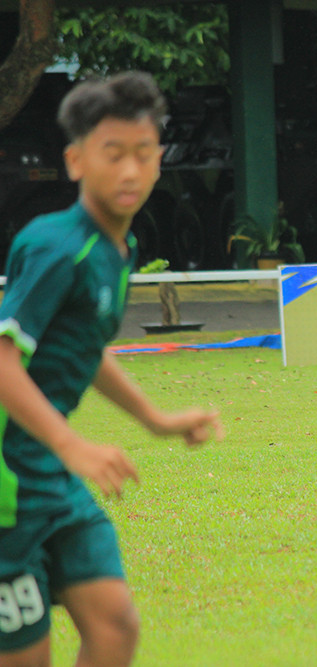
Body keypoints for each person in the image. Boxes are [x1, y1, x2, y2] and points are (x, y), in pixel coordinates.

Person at [0, 72, 223, 666]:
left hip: (47, 476)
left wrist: (155, 419)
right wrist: (73, 445)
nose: (130, 171)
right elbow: (2, 362)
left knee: (115, 626)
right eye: (113, 154)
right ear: (75, 161)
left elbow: (81, 345)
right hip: (5, 486)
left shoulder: (115, 249)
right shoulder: (55, 246)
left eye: (143, 154)